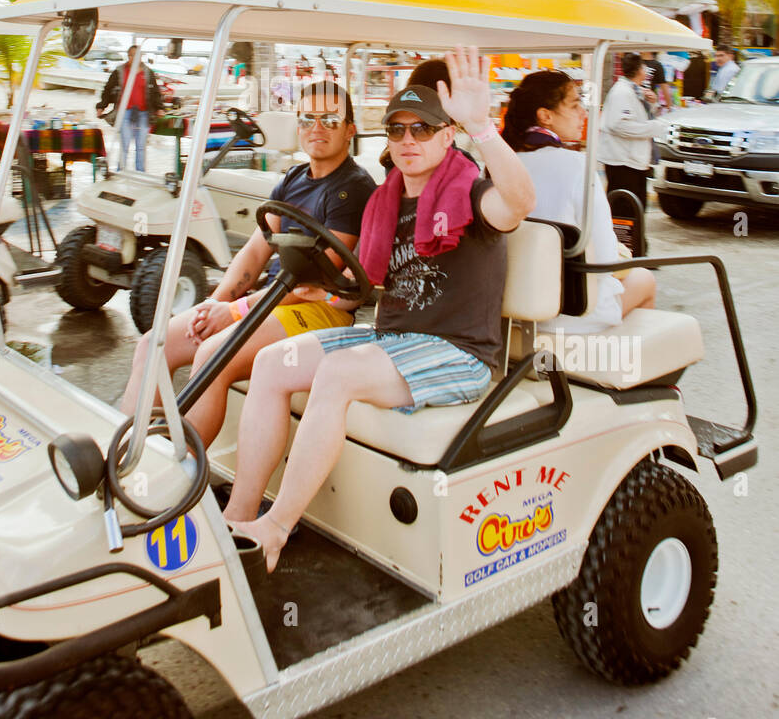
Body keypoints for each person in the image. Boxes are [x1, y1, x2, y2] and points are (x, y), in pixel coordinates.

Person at [225, 47, 536, 571]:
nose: (409, 140)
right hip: (393, 341)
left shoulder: (472, 194)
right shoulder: (386, 202)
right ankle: (238, 517)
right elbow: (360, 286)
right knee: (271, 363)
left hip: (459, 353)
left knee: (339, 376)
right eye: (397, 130)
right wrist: (319, 287)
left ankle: (276, 529)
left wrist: (483, 126)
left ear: (447, 134)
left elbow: (521, 202)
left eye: (423, 129)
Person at [120, 81, 376, 446]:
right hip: (271, 300)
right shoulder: (293, 180)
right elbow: (256, 252)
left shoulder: (354, 188)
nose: (316, 128)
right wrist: (217, 302)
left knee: (213, 354)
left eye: (329, 120)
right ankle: (128, 455)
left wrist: (237, 310)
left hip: (319, 307)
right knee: (153, 344)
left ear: (350, 129)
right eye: (307, 118)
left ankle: (182, 473)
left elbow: (315, 281)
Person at [502, 70, 656, 328]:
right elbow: (605, 259)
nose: (583, 113)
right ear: (545, 115)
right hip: (574, 313)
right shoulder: (577, 166)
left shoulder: (501, 164)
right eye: (574, 105)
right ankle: (619, 364)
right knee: (644, 278)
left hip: (513, 310)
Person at [598, 53, 662, 210]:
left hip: (633, 161)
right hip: (623, 161)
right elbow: (619, 125)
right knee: (625, 210)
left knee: (636, 209)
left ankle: (634, 235)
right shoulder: (622, 92)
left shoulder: (635, 90)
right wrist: (653, 128)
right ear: (640, 69)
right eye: (644, 66)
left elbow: (640, 116)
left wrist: (652, 104)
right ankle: (622, 236)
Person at [97, 50, 163, 171]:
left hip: (143, 113)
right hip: (124, 112)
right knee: (125, 144)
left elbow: (155, 92)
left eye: (138, 55)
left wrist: (159, 108)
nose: (135, 57)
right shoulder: (119, 71)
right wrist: (101, 106)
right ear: (129, 56)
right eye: (132, 55)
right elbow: (108, 89)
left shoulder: (148, 72)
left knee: (141, 146)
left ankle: (141, 173)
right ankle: (120, 172)